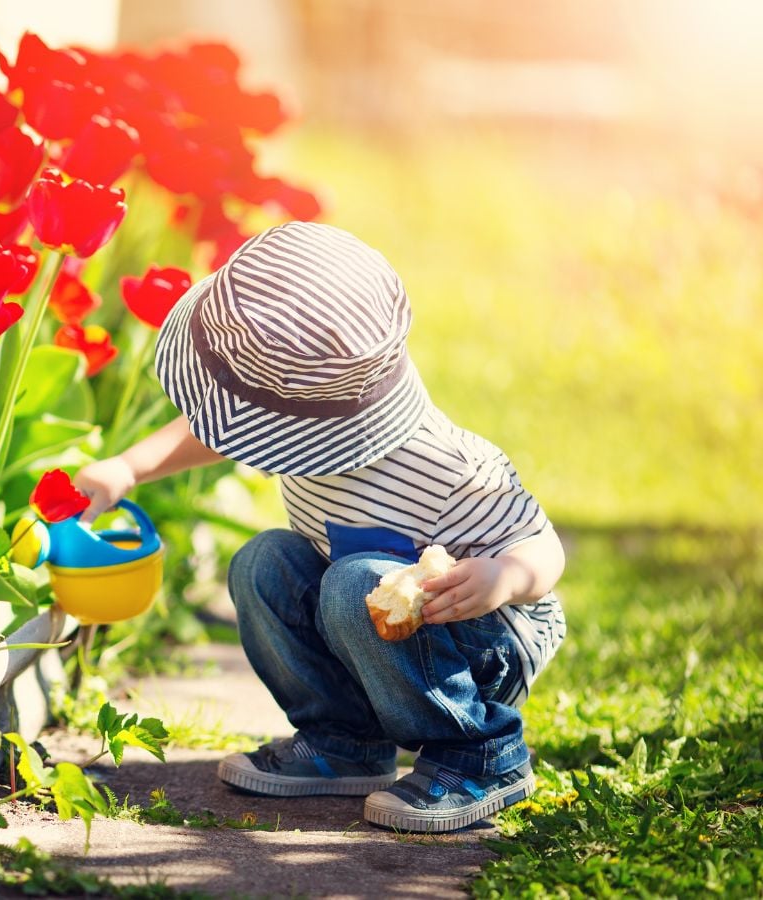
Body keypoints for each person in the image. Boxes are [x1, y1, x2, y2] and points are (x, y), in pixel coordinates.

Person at [74, 222, 566, 833]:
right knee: (264, 563)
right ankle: (346, 741)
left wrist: (503, 576)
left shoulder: (446, 466)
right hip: (364, 623)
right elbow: (217, 428)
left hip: (484, 638)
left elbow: (541, 545)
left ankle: (482, 753)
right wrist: (127, 467)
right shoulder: (302, 419)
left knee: (353, 581)